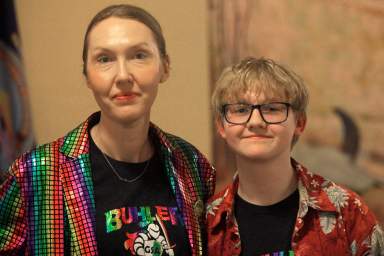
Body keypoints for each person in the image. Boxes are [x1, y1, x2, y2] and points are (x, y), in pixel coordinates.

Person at [0, 4, 215, 255]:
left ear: (165, 67)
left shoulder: (192, 165)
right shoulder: (35, 174)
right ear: (87, 76)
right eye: (104, 59)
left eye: (139, 55)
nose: (123, 75)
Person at [206, 57, 384, 255]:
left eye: (272, 109)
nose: (255, 121)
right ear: (221, 126)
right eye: (240, 110)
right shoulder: (206, 224)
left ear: (299, 123)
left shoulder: (348, 212)